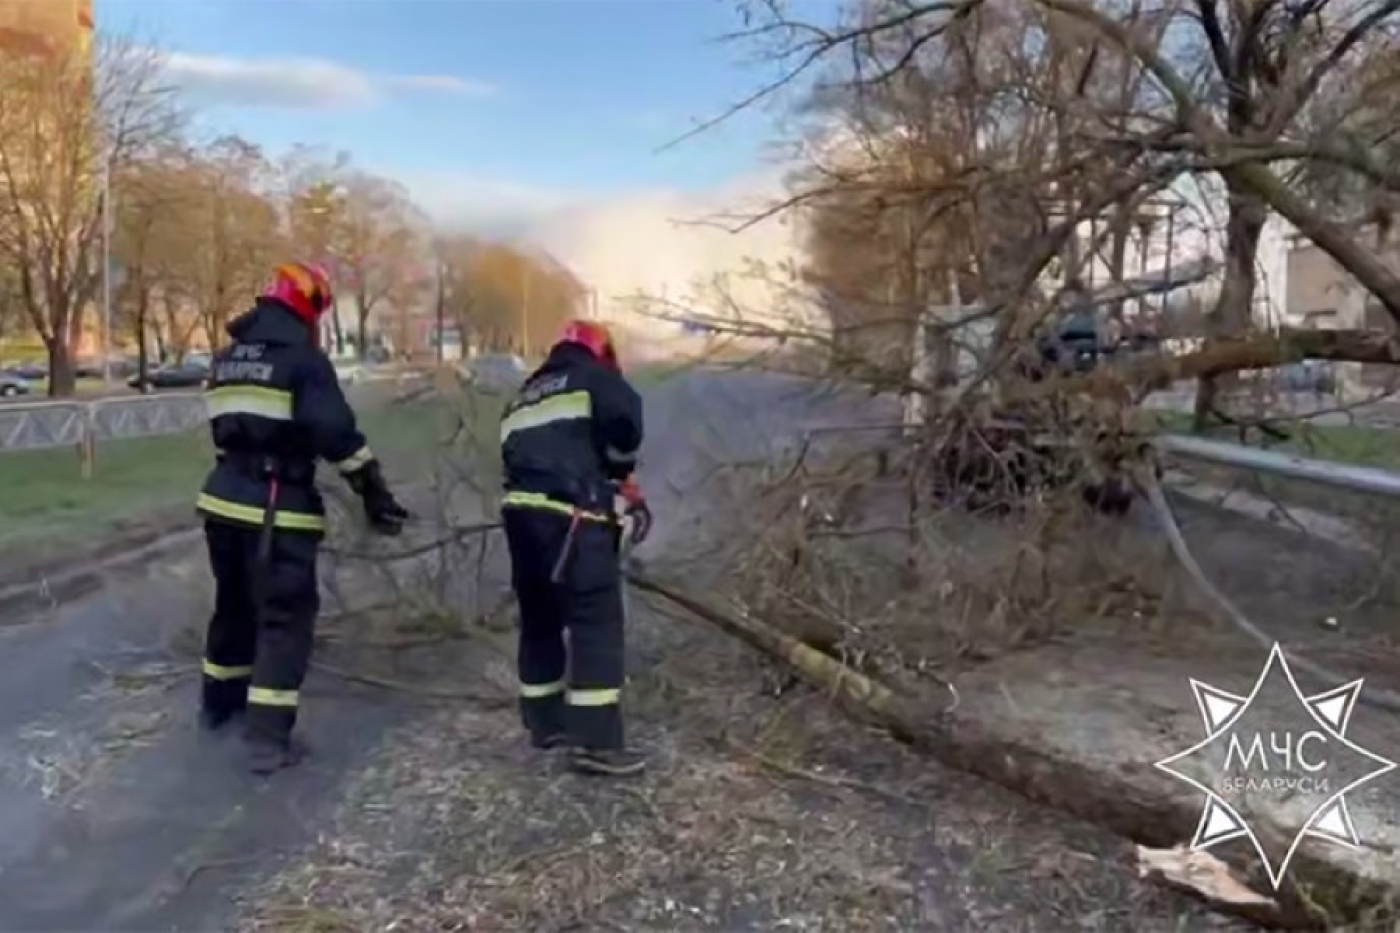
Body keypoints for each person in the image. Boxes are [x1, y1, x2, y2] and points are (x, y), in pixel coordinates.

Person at [196, 260, 410, 774]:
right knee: (284, 619)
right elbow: (334, 433)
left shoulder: (229, 357)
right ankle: (267, 741)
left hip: (222, 501)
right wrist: (372, 489)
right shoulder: (302, 360)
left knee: (233, 607)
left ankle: (218, 711)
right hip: (277, 507)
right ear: (308, 307)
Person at [499, 320, 653, 776]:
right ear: (599, 350)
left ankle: (545, 724)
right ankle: (596, 743)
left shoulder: (524, 394)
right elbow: (625, 423)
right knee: (595, 619)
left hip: (520, 515)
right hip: (572, 514)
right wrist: (620, 472)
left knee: (540, 616)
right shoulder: (594, 376)